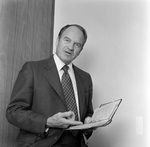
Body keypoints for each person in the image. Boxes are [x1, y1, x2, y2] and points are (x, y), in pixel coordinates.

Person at [6, 24, 94, 147]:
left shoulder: (85, 78)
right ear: (57, 40)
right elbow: (13, 112)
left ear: (80, 50)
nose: (70, 47)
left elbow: (88, 114)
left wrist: (89, 122)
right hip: (41, 143)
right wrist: (48, 122)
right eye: (67, 40)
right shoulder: (32, 69)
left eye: (77, 44)